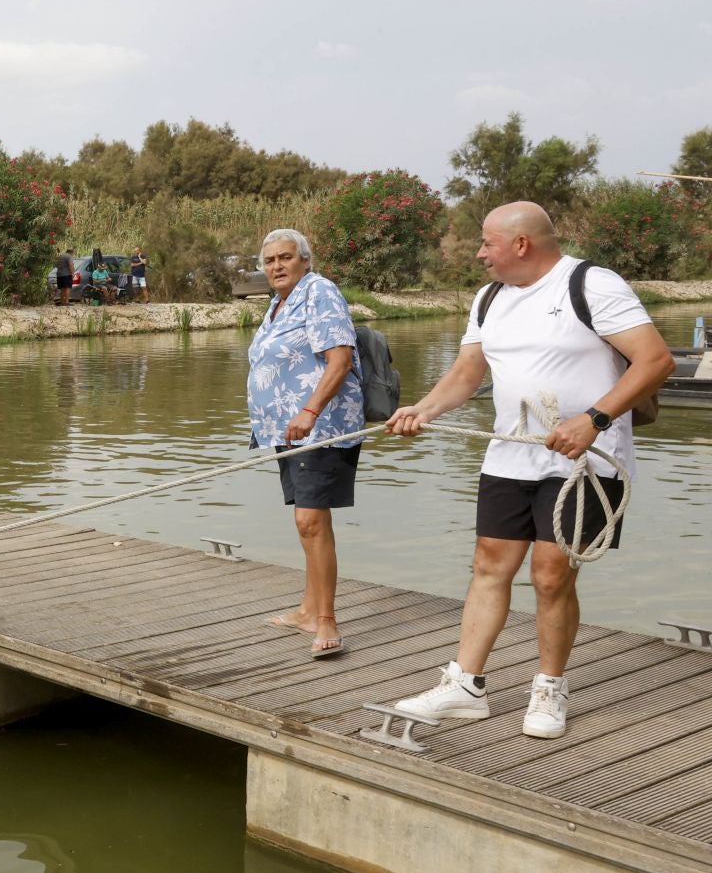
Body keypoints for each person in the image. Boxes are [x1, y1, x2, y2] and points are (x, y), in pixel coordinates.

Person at [385, 202, 673, 738]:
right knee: (489, 563)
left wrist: (594, 420)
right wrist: (422, 410)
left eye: (487, 242)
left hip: (586, 460)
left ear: (521, 244)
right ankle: (465, 685)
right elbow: (467, 372)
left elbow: (656, 360)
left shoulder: (592, 284)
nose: (479, 253)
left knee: (551, 572)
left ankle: (549, 687)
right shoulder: (489, 297)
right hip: (510, 453)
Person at [247, 228, 364, 657]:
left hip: (322, 427)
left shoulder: (320, 292)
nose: (277, 266)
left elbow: (340, 359)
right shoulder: (279, 303)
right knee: (307, 521)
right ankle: (308, 610)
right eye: (270, 260)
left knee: (311, 521)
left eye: (286, 257)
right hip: (288, 430)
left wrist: (310, 411)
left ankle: (327, 619)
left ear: (305, 260)